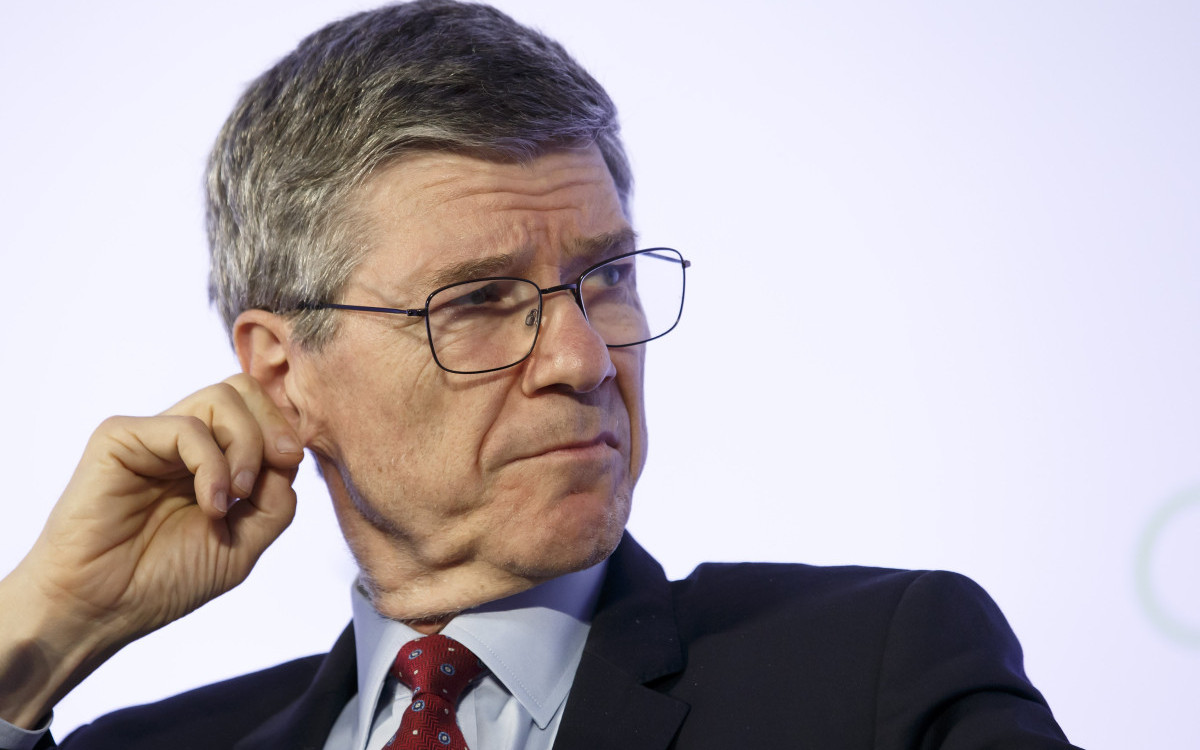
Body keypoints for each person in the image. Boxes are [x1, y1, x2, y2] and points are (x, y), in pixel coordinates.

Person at [0, 1, 1081, 748]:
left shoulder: (875, 675)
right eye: (478, 300)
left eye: (605, 278)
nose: (583, 359)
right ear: (285, 377)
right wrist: (41, 636)